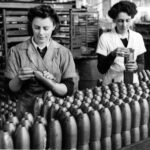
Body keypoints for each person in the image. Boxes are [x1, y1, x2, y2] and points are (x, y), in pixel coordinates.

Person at [4, 4, 77, 117]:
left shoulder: (64, 53)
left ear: (53, 26)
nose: (41, 33)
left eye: (46, 28)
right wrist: (19, 78)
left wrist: (51, 83)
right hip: (25, 113)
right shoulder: (16, 52)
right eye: (36, 28)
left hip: (54, 111)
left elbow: (69, 89)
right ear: (30, 26)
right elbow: (9, 90)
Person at [96, 1, 146, 85]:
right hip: (111, 85)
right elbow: (101, 69)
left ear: (131, 19)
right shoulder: (105, 38)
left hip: (132, 85)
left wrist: (136, 67)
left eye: (127, 20)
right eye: (120, 21)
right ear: (114, 20)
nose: (124, 25)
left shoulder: (138, 37)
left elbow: (141, 64)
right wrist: (112, 54)